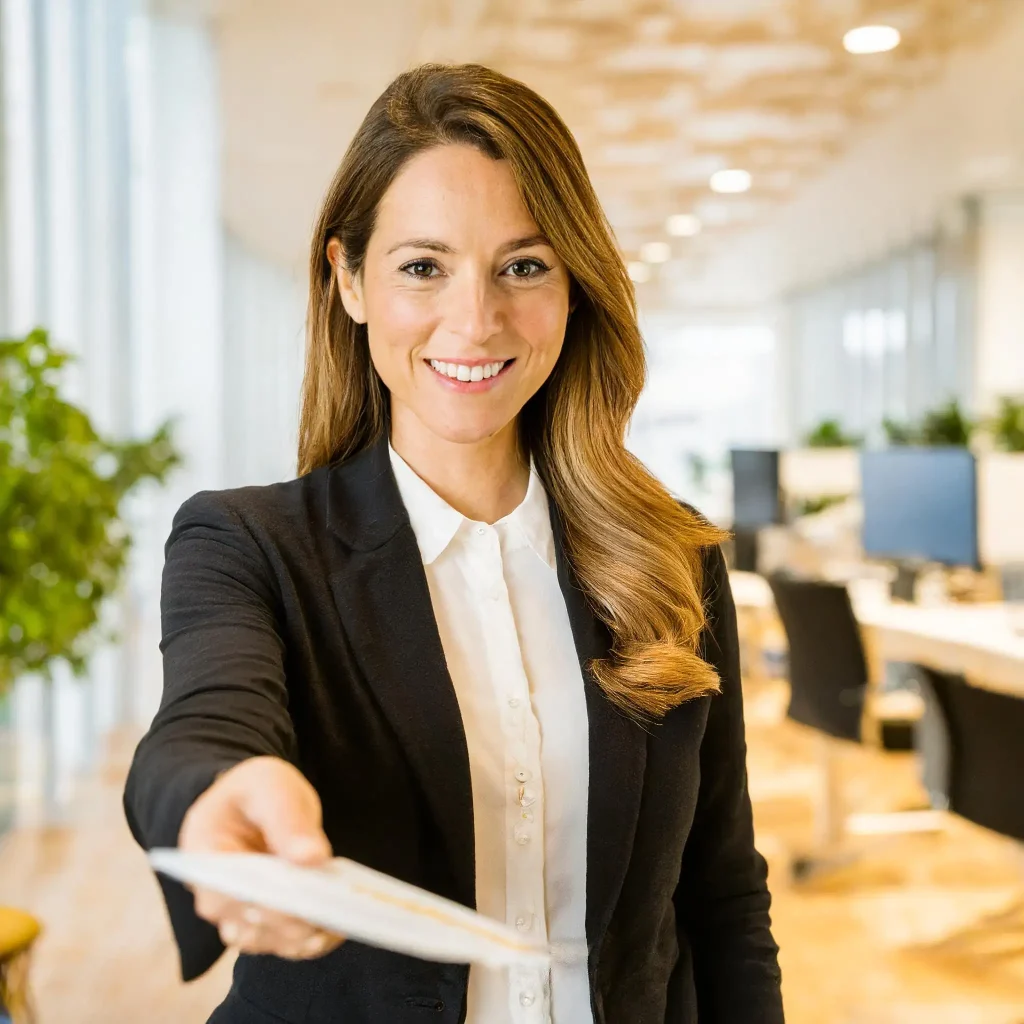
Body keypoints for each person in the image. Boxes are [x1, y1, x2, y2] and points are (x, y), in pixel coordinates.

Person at [123, 62, 784, 1024]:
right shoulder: (250, 545)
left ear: (574, 286)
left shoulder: (670, 562)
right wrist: (220, 795)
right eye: (423, 267)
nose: (475, 321)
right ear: (348, 279)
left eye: (524, 265)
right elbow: (205, 721)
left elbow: (722, 891)